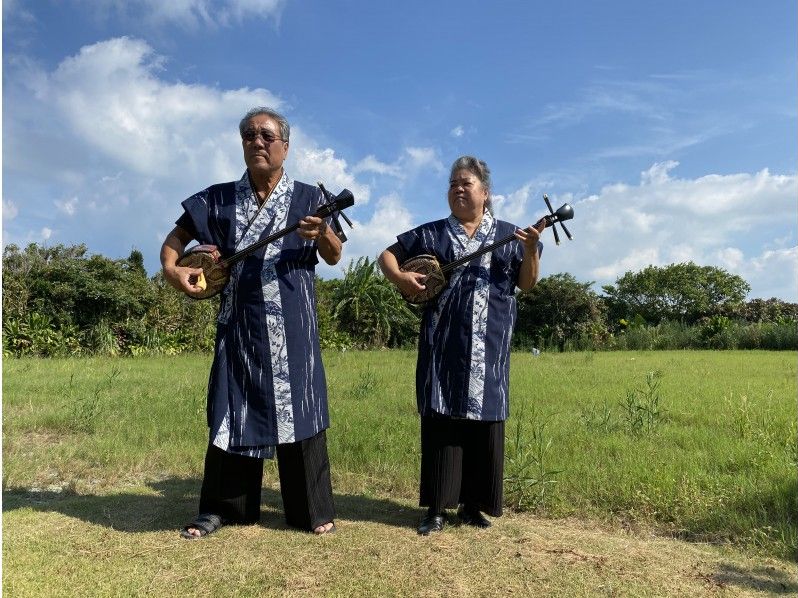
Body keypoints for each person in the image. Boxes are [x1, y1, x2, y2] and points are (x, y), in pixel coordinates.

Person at [161, 107, 342, 538]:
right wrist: (175, 271)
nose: (256, 142)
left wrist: (323, 235)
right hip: (239, 325)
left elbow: (334, 255)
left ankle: (311, 510)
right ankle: (223, 509)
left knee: (302, 406)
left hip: (293, 326)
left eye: (265, 135)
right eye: (248, 135)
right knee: (232, 407)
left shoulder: (308, 199)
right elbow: (173, 243)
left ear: (285, 144)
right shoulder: (217, 199)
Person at [378, 155, 543, 535]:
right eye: (453, 183)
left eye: (466, 182)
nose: (458, 188)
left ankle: (474, 506)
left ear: (485, 193)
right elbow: (386, 256)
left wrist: (532, 249)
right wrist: (401, 277)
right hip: (442, 345)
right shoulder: (432, 234)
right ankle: (436, 508)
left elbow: (528, 283)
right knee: (441, 420)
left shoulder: (512, 234)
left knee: (483, 423)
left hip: (491, 344)